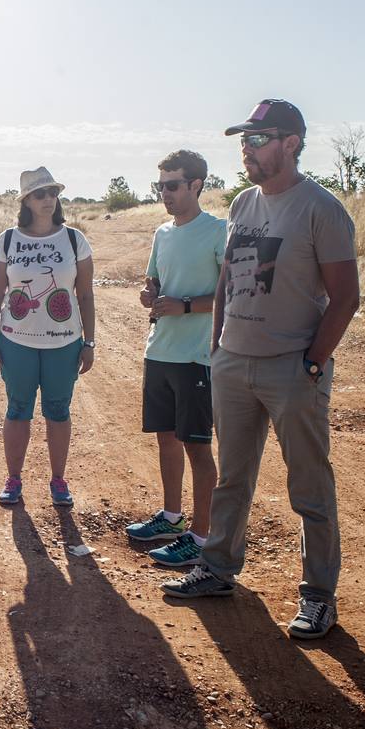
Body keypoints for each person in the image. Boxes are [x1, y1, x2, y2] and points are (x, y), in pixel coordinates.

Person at [162, 99, 360, 640]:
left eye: (258, 139)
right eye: (243, 140)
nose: (246, 149)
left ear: (291, 143)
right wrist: (220, 343)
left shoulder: (321, 209)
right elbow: (228, 280)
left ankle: (319, 596)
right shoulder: (246, 204)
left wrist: (314, 362)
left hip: (291, 368)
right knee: (232, 477)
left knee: (309, 487)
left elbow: (346, 297)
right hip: (233, 361)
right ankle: (219, 569)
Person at [125, 151, 226, 567]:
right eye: (160, 185)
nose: (164, 193)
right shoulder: (162, 233)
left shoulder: (219, 231)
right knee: (166, 438)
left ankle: (201, 540)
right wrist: (150, 294)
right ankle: (170, 518)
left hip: (197, 357)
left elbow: (228, 295)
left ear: (196, 185)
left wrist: (183, 305)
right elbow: (154, 279)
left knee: (198, 449)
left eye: (172, 185)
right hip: (160, 350)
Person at [0, 167, 96, 507]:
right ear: (27, 202)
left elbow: (86, 296)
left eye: (51, 193)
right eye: (39, 194)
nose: (48, 199)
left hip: (64, 342)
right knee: (18, 408)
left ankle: (58, 481)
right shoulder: (7, 240)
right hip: (16, 340)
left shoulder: (74, 240)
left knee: (58, 411)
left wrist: (89, 342)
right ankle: (14, 479)